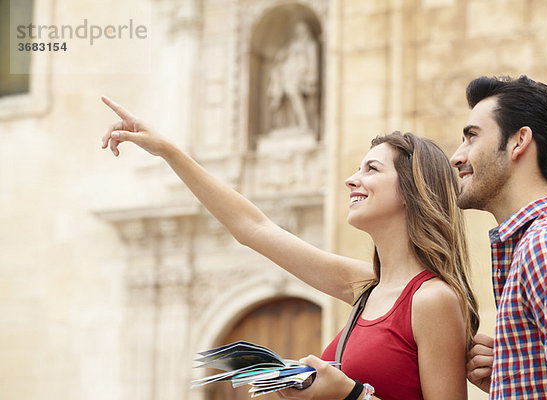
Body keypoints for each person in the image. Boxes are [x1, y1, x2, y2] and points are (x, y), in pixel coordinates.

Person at [101, 96, 479, 400]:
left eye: (371, 170)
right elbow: (254, 228)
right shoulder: (367, 287)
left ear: (411, 192)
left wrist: (351, 396)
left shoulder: (432, 300)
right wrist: (169, 151)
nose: (351, 180)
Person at [450, 75, 547, 399]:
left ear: (519, 141)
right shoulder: (537, 245)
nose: (457, 156)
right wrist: (511, 378)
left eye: (471, 137)